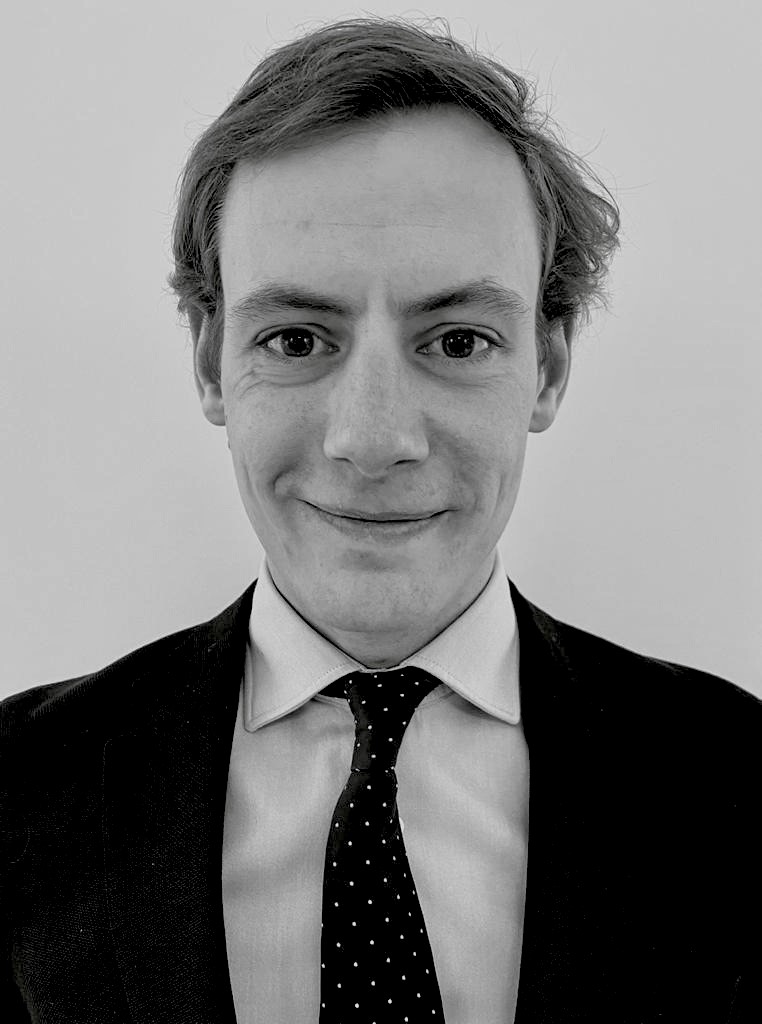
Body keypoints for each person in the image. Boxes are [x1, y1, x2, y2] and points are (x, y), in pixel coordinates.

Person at [1, 15, 759, 1024]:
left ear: (550, 364)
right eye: (296, 338)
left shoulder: (743, 783)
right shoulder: (14, 789)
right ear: (209, 360)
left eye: (458, 340)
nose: (372, 438)